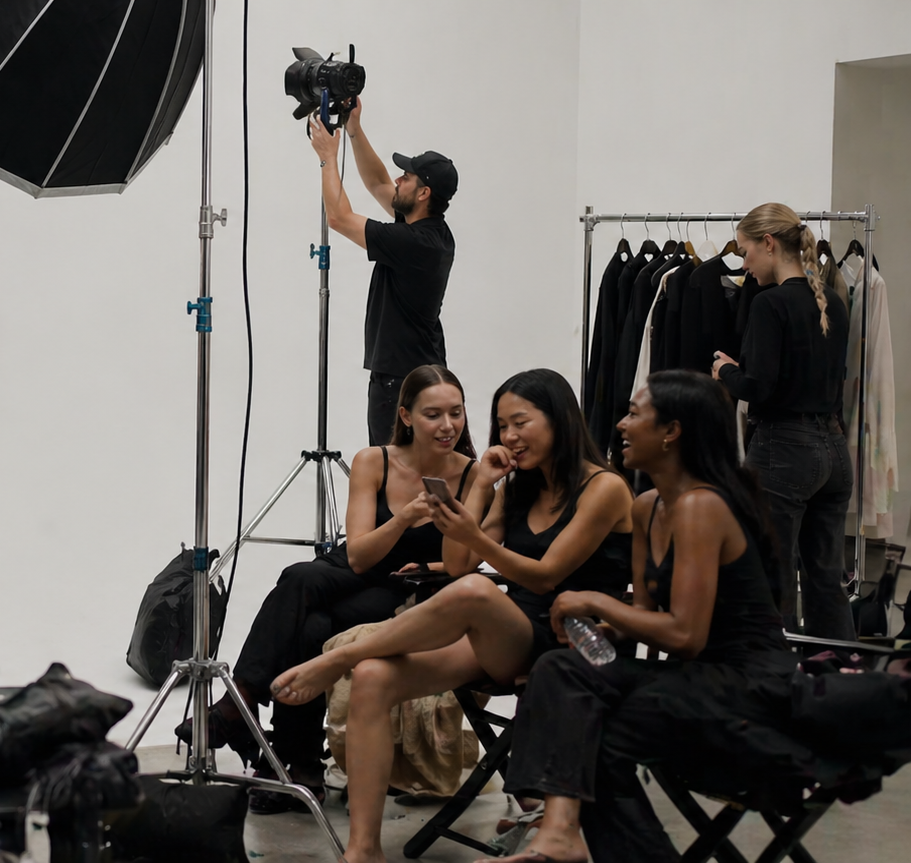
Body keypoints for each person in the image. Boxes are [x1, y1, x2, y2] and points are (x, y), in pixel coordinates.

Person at [271, 369, 633, 863]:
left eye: (521, 423)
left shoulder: (604, 487)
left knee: (476, 592)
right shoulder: (520, 488)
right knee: (374, 677)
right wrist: (481, 485)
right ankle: (363, 850)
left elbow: (545, 575)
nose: (509, 436)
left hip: (570, 644)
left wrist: (477, 537)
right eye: (501, 425)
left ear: (559, 420)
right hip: (509, 637)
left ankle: (340, 658)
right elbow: (459, 562)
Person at [483, 370, 794, 863]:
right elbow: (645, 620)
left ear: (671, 431)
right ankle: (559, 833)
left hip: (746, 682)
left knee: (595, 728)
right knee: (560, 668)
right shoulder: (647, 506)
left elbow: (685, 635)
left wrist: (594, 602)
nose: (621, 425)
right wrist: (600, 631)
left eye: (634, 414)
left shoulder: (702, 506)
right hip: (694, 676)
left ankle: (561, 832)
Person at [183, 364, 477, 810]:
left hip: (399, 583)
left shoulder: (473, 476)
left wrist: (430, 562)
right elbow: (358, 555)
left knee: (312, 627)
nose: (448, 425)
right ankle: (254, 716)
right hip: (354, 566)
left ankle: (270, 739)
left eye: (456, 412)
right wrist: (403, 517)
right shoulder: (374, 461)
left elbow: (470, 558)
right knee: (300, 576)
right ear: (406, 416)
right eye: (433, 414)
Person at [713, 203, 853, 640]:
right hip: (834, 450)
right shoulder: (832, 302)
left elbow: (759, 387)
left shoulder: (769, 304)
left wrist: (725, 371)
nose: (744, 264)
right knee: (826, 580)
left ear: (769, 244)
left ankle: (774, 674)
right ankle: (841, 672)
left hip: (783, 451)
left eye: (746, 252)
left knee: (771, 577)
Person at [306, 98, 458, 446]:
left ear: (424, 193)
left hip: (400, 382)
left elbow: (339, 218)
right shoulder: (432, 230)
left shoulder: (415, 243)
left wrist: (328, 157)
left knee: (394, 470)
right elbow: (377, 184)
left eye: (407, 177)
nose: (398, 179)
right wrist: (354, 129)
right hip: (418, 374)